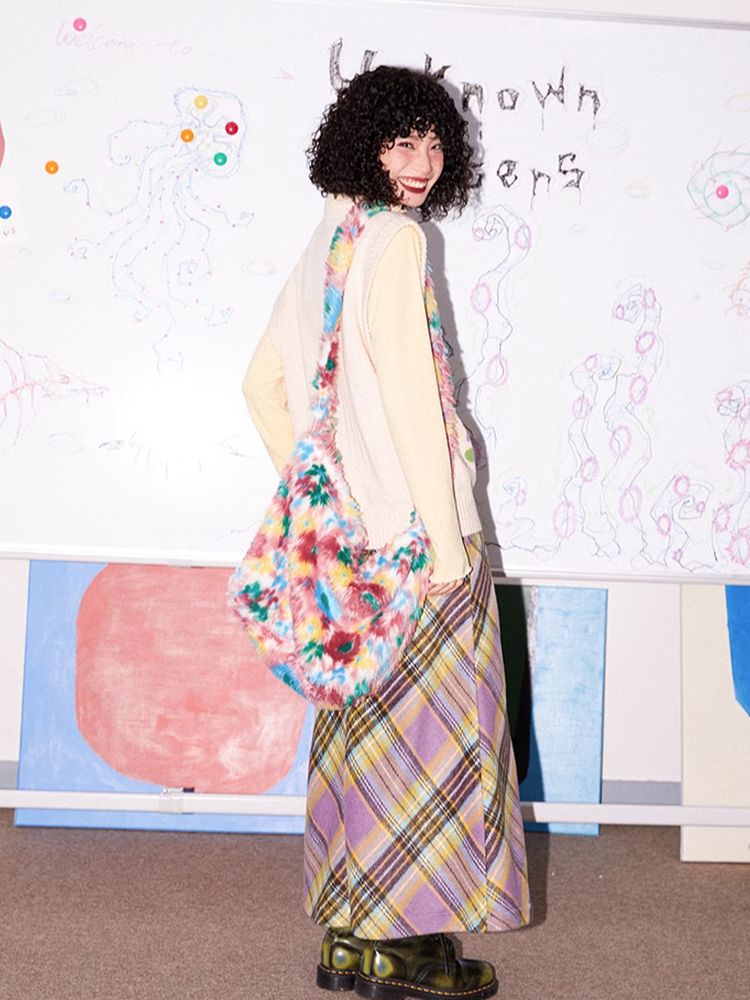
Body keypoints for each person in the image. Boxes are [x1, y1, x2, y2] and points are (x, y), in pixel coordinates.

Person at [242, 65, 530, 1000]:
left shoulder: (331, 235)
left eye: (435, 142)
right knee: (435, 744)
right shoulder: (398, 240)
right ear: (365, 144)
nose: (423, 160)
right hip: (417, 540)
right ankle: (404, 950)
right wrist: (444, 545)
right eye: (403, 140)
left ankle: (352, 938)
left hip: (355, 546)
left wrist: (329, 496)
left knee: (361, 733)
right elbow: (413, 401)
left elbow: (261, 386)